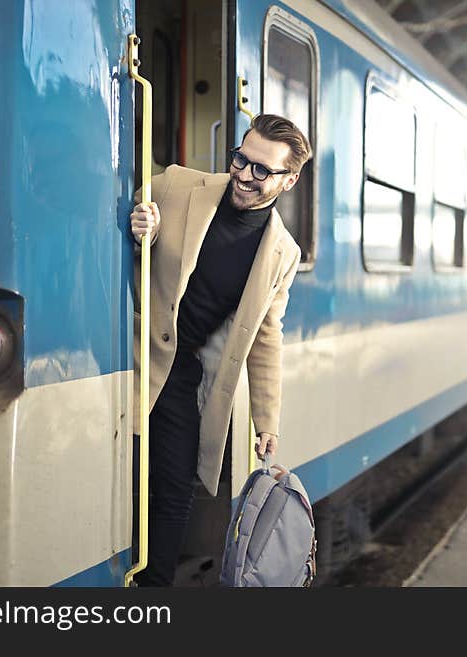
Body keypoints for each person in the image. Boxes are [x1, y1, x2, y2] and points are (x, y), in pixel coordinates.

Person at [129, 114, 310, 586]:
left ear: (289, 180)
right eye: (241, 160)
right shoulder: (176, 185)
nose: (244, 176)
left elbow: (267, 335)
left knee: (174, 489)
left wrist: (266, 419)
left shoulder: (281, 253)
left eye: (261, 171)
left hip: (179, 370)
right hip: (127, 353)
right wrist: (136, 218)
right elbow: (117, 209)